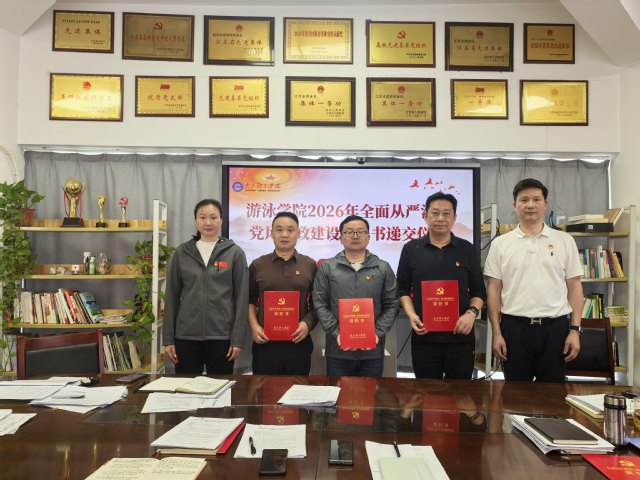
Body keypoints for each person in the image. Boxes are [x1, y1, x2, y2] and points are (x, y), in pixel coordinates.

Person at [484, 178, 584, 382]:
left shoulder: (565, 241)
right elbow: (494, 289)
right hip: (514, 328)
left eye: (536, 199)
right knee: (515, 393)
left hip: (555, 329)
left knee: (553, 393)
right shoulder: (500, 244)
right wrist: (496, 333)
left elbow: (574, 286)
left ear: (545, 204)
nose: (530, 205)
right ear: (515, 205)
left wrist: (574, 330)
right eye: (524, 200)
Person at [397, 192, 486, 379]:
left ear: (454, 217)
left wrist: (471, 314)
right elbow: (402, 288)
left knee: (460, 392)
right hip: (424, 337)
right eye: (435, 213)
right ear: (425, 216)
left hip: (460, 337)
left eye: (446, 213)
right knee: (426, 392)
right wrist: (411, 315)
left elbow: (478, 291)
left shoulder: (467, 249)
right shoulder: (411, 249)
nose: (440, 218)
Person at [163, 199, 248, 375]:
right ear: (195, 221)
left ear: (221, 220)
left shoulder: (234, 253)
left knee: (220, 387)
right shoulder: (181, 253)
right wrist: (168, 339)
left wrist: (237, 339)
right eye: (202, 217)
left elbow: (241, 298)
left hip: (222, 336)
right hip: (186, 336)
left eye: (213, 217)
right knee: (186, 387)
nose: (208, 222)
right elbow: (171, 297)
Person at [312, 215, 398, 377]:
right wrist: (337, 333)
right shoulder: (328, 267)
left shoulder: (383, 268)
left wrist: (376, 333)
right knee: (337, 392)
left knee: (370, 392)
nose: (355, 236)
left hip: (372, 351)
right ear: (341, 238)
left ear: (369, 237)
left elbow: (392, 305)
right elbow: (320, 304)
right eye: (349, 232)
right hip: (338, 350)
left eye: (361, 232)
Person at [248, 211, 318, 375]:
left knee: (298, 389)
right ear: (271, 233)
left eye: (290, 230)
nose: (284, 234)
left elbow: (318, 304)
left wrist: (307, 324)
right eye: (279, 230)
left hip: (298, 342)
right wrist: (254, 327)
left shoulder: (309, 265)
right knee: (265, 389)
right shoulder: (258, 265)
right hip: (265, 343)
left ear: (298, 233)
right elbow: (249, 301)